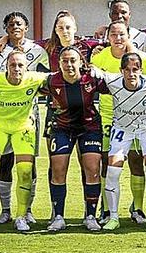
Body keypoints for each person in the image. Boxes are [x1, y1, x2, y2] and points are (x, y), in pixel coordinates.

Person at [92, 52, 146, 231]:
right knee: (112, 170)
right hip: (122, 128)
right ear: (121, 71)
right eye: (127, 70)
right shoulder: (112, 81)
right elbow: (94, 72)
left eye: (135, 69)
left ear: (141, 70)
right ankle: (113, 217)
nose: (131, 73)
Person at [0, 51, 48, 232]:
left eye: (20, 65)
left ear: (27, 67)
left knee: (24, 172)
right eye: (12, 65)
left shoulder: (36, 78)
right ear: (6, 66)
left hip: (23, 127)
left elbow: (59, 77)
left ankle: (21, 216)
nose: (16, 69)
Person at [0, 11, 48, 226]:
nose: (15, 27)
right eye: (11, 24)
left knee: (28, 163)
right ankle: (5, 210)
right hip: (3, 115)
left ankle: (27, 209)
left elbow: (50, 77)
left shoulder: (38, 50)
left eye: (19, 24)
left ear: (27, 27)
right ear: (5, 28)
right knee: (4, 162)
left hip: (29, 114)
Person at [91, 20, 146, 225]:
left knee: (136, 161)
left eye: (122, 34)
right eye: (114, 34)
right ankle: (106, 209)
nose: (118, 38)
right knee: (108, 163)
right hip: (108, 117)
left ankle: (138, 208)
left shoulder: (141, 59)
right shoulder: (99, 58)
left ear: (128, 36)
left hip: (136, 119)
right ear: (108, 37)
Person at [41, 46, 106, 232]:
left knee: (93, 169)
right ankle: (59, 216)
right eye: (65, 61)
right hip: (62, 128)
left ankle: (91, 216)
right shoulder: (52, 81)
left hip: (89, 127)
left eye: (72, 60)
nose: (69, 64)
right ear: (59, 63)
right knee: (58, 169)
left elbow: (115, 85)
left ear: (80, 62)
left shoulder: (92, 78)